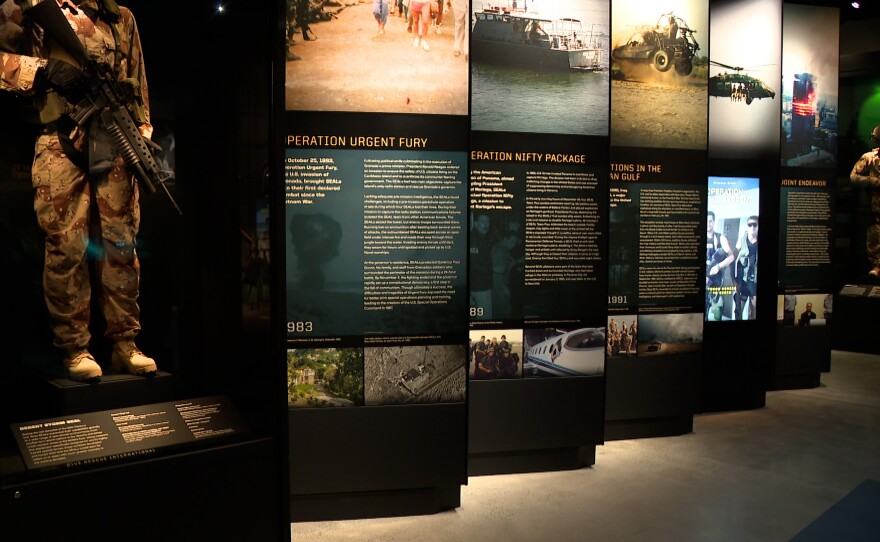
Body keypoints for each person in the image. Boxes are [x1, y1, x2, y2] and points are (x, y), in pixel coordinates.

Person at [1, 0, 158, 381]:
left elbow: (136, 83)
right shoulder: (30, 7)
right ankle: (74, 347)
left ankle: (125, 343)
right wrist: (44, 71)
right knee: (66, 248)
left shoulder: (119, 16)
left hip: (114, 140)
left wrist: (141, 137)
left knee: (122, 246)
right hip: (60, 140)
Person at [850, 125, 880, 276]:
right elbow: (854, 177)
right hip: (875, 206)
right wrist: (871, 181)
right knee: (875, 236)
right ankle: (877, 265)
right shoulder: (870, 157)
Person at [706, 211, 735, 320]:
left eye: (710, 221)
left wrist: (718, 267)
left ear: (714, 222)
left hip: (716, 280)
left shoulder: (720, 238)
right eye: (706, 221)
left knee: (717, 312)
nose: (708, 224)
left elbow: (731, 257)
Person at [735, 216, 759, 320]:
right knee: (738, 310)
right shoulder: (742, 240)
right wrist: (734, 280)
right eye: (750, 224)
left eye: (755, 224)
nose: (752, 227)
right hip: (742, 281)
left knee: (753, 312)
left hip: (754, 281)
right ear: (747, 226)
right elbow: (733, 258)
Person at [469, 213, 492, 319]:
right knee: (485, 317)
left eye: (487, 222)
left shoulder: (482, 238)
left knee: (478, 316)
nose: (486, 225)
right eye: (482, 221)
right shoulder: (475, 239)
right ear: (476, 223)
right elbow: (474, 264)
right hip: (480, 286)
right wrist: (491, 268)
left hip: (479, 285)